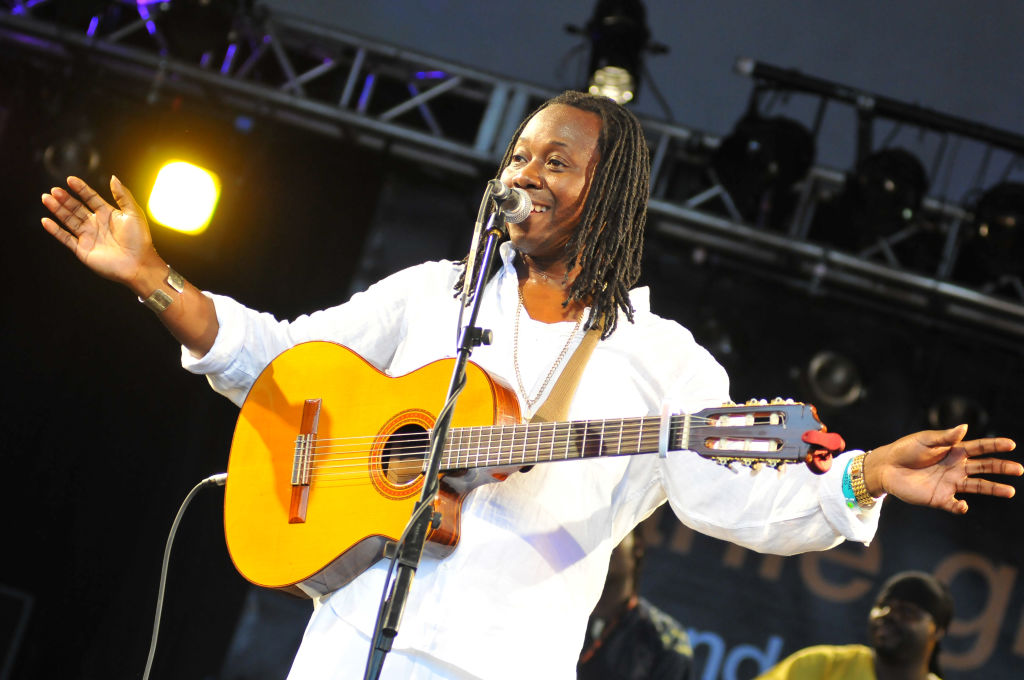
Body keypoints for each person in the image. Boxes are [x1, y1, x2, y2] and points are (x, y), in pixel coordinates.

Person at [39, 90, 1019, 680]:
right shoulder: (434, 294)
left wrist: (858, 478)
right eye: (518, 153)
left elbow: (742, 491)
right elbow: (278, 360)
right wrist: (155, 279)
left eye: (557, 157)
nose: (527, 168)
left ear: (612, 193)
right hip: (345, 637)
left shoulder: (661, 360)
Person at [755, 570, 954, 680]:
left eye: (907, 612)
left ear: (937, 630)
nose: (889, 615)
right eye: (883, 606)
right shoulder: (822, 665)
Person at [578, 528, 693, 680]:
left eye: (614, 531)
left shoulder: (668, 639)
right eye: (595, 531)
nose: (601, 543)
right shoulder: (552, 614)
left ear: (637, 547)